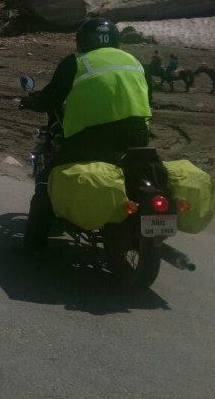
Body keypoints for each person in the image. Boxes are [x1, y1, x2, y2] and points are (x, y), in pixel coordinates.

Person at [20, 17, 152, 252]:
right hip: (138, 137)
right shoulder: (135, 61)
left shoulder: (76, 63)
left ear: (82, 41)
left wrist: (29, 102)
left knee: (46, 183)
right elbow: (149, 97)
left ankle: (32, 248)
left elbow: (50, 99)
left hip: (91, 140)